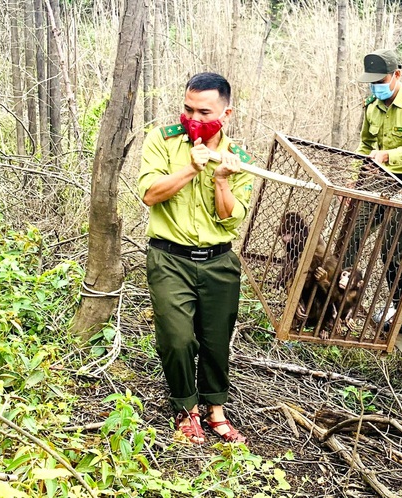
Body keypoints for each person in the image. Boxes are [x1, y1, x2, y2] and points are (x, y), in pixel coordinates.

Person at [137, 72, 254, 445]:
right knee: (177, 338)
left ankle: (215, 407)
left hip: (219, 262)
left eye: (204, 112)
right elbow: (150, 195)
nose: (194, 118)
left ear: (227, 112)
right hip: (170, 258)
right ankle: (186, 408)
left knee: (217, 340)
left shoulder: (238, 158)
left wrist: (221, 178)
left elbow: (230, 216)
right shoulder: (162, 140)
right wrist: (191, 168)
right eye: (188, 109)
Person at [344, 48, 402, 324]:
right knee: (350, 238)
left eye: (381, 82)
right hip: (375, 179)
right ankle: (337, 298)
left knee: (392, 252)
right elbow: (365, 145)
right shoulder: (371, 106)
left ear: (396, 75)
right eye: (373, 82)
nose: (376, 87)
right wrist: (355, 179)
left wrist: (388, 156)